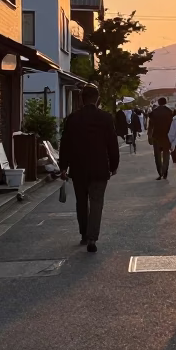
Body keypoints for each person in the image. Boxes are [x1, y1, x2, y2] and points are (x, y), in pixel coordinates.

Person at [58, 84, 120, 253]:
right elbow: (112, 144)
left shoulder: (72, 119)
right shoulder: (106, 118)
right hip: (100, 168)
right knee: (97, 202)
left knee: (81, 202)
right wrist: (114, 165)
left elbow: (65, 145)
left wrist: (63, 166)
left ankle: (84, 234)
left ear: (80, 98)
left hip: (78, 168)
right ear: (98, 99)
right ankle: (93, 237)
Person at [148, 97, 174, 180]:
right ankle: (165, 171)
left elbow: (150, 126)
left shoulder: (153, 112)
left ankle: (160, 173)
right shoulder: (170, 112)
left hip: (156, 137)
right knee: (166, 155)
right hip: (167, 136)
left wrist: (149, 136)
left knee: (157, 156)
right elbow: (172, 125)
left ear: (158, 103)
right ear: (166, 102)